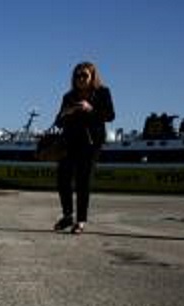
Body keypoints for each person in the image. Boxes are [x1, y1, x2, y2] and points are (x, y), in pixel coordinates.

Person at [53, 62, 115, 234]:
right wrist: (65, 113)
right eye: (77, 75)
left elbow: (110, 115)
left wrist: (90, 109)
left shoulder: (102, 92)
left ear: (93, 76)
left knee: (83, 181)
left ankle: (80, 221)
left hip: (91, 143)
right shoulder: (69, 96)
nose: (80, 79)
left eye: (84, 75)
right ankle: (67, 216)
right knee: (63, 178)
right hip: (69, 142)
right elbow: (58, 122)